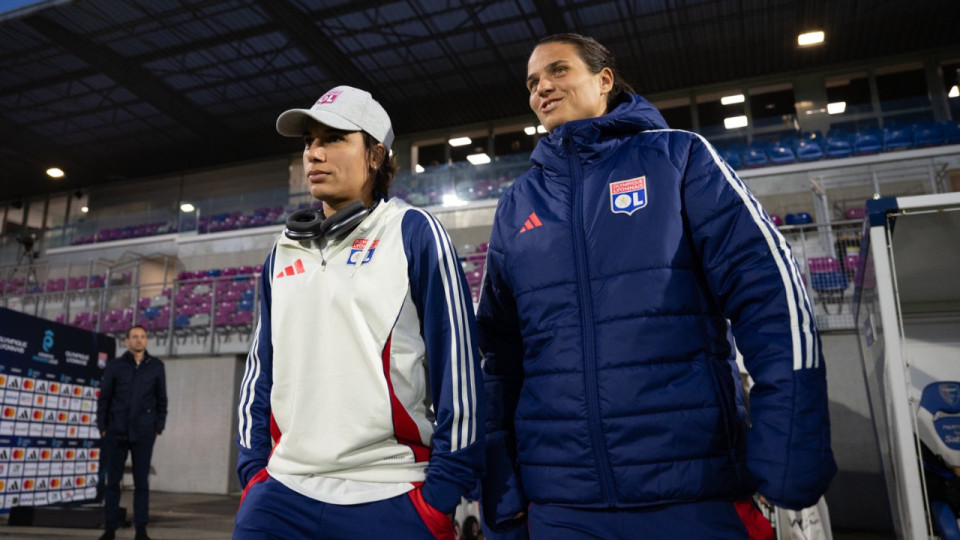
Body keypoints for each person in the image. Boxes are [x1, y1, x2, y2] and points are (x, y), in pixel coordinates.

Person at [477, 33, 836, 539]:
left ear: (604, 81)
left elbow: (770, 296)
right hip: (561, 503)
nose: (541, 88)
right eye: (533, 82)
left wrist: (790, 446)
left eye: (558, 71)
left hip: (690, 492)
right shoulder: (518, 203)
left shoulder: (678, 158)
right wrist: (502, 485)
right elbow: (498, 357)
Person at [234, 85, 485, 539]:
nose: (314, 153)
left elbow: (460, 371)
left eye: (332, 139)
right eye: (309, 141)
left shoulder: (413, 232)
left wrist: (441, 494)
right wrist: (253, 472)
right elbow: (260, 372)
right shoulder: (282, 250)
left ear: (375, 155)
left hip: (390, 493)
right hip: (282, 494)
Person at [97, 325, 168, 540]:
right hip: (116, 432)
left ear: (146, 341)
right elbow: (105, 399)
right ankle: (110, 529)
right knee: (113, 482)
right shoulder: (115, 366)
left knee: (141, 483)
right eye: (134, 337)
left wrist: (158, 426)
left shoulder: (156, 367)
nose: (139, 340)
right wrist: (102, 426)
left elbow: (161, 400)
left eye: (143, 337)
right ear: (126, 341)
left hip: (144, 433)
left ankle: (141, 530)